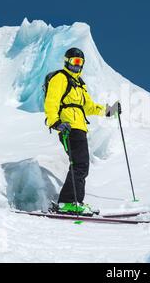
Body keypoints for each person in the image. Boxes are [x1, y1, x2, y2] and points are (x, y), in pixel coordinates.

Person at [44, 47, 121, 215]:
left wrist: (110, 110)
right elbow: (51, 101)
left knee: (82, 165)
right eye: (74, 62)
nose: (77, 66)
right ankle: (67, 202)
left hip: (80, 128)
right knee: (79, 164)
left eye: (80, 62)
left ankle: (75, 202)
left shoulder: (79, 84)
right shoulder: (60, 78)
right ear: (67, 61)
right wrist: (56, 122)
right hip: (68, 127)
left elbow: (89, 107)